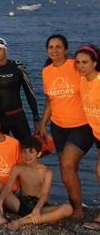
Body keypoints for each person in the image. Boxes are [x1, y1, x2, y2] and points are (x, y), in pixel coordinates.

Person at [36, 35, 92, 219]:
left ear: (66, 50)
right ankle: (75, 202)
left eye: (58, 47)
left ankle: (77, 210)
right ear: (47, 51)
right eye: (51, 47)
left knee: (68, 164)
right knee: (66, 167)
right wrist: (43, 123)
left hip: (82, 125)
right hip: (58, 126)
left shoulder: (76, 66)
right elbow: (50, 100)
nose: (54, 50)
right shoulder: (46, 72)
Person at [0, 136, 73, 230]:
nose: (27, 156)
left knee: (68, 208)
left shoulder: (46, 172)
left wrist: (37, 208)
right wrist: (0, 200)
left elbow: (44, 194)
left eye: (31, 152)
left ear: (38, 154)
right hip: (20, 204)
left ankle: (23, 222)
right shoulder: (18, 168)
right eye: (24, 152)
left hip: (40, 206)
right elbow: (8, 187)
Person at [76, 44, 100, 229]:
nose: (81, 66)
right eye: (78, 62)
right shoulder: (82, 80)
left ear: (95, 63)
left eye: (85, 62)